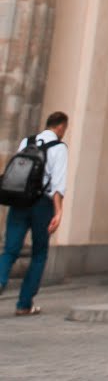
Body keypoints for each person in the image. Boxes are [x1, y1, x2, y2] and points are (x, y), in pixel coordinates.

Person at [0, 112, 69, 316]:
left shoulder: (27, 141)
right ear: (61, 127)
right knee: (39, 253)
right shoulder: (59, 148)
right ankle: (24, 303)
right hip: (42, 205)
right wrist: (58, 212)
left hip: (19, 201)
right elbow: (58, 184)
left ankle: (0, 279)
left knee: (10, 249)